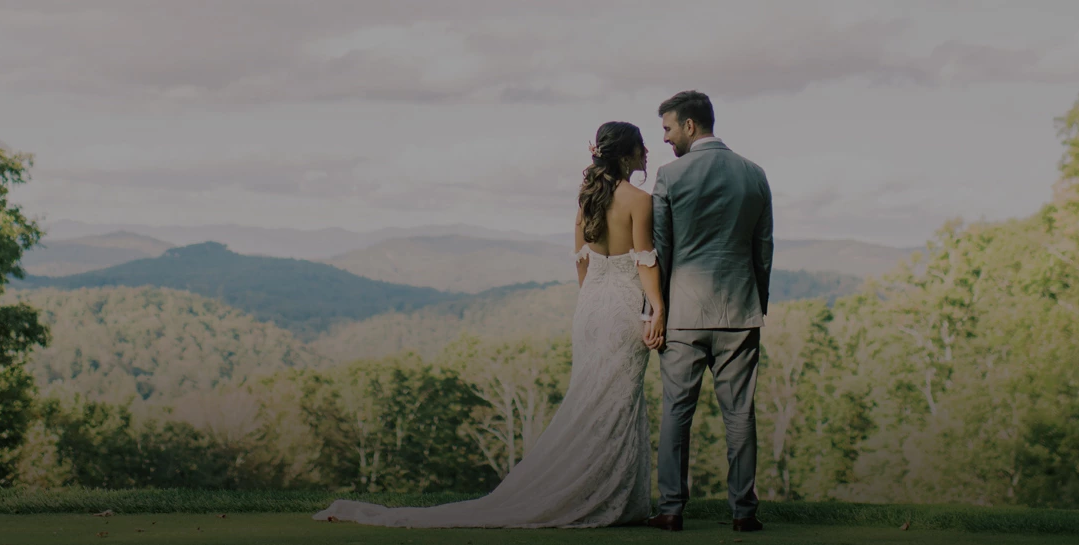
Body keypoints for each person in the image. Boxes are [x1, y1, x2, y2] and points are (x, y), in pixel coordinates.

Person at [311, 120, 665, 528]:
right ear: (627, 153)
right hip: (622, 309)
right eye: (642, 146)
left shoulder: (588, 198)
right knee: (616, 402)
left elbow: (582, 262)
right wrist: (655, 309)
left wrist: (591, 301)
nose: (646, 153)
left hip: (590, 310)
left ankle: (614, 497)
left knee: (594, 400)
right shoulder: (639, 200)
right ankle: (606, 498)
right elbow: (645, 261)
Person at [644, 90, 773, 533]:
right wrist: (759, 303)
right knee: (740, 414)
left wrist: (654, 311)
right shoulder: (754, 174)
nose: (665, 138)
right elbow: (763, 248)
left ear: (690, 126)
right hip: (741, 310)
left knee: (676, 412)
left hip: (682, 312)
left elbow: (661, 249)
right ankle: (743, 513)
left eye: (668, 128)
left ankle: (672, 509)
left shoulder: (670, 176)